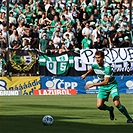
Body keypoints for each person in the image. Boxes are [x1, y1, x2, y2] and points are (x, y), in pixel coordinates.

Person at [81, 50, 133, 123]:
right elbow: (92, 69)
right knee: (99, 106)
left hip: (112, 85)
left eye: (99, 57)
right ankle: (110, 109)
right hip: (103, 87)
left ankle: (129, 119)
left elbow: (106, 82)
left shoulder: (107, 67)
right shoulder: (95, 64)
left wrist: (93, 84)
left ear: (103, 58)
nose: (97, 59)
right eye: (96, 58)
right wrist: (85, 74)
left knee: (117, 103)